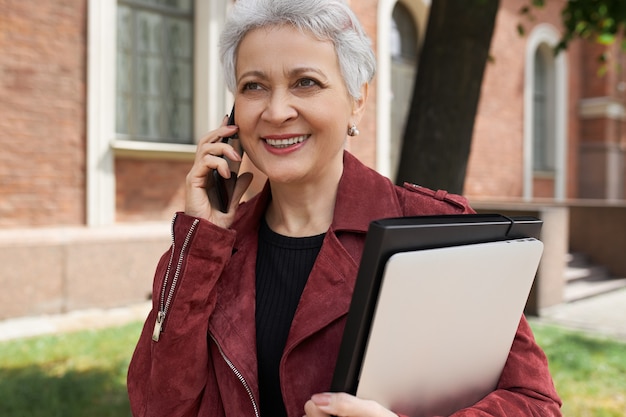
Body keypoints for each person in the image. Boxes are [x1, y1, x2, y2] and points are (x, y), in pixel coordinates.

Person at [127, 0, 562, 416]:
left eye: (306, 83)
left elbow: (535, 403)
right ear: (232, 116)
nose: (277, 111)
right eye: (253, 86)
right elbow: (157, 407)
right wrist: (201, 242)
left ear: (358, 99)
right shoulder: (211, 248)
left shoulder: (439, 232)